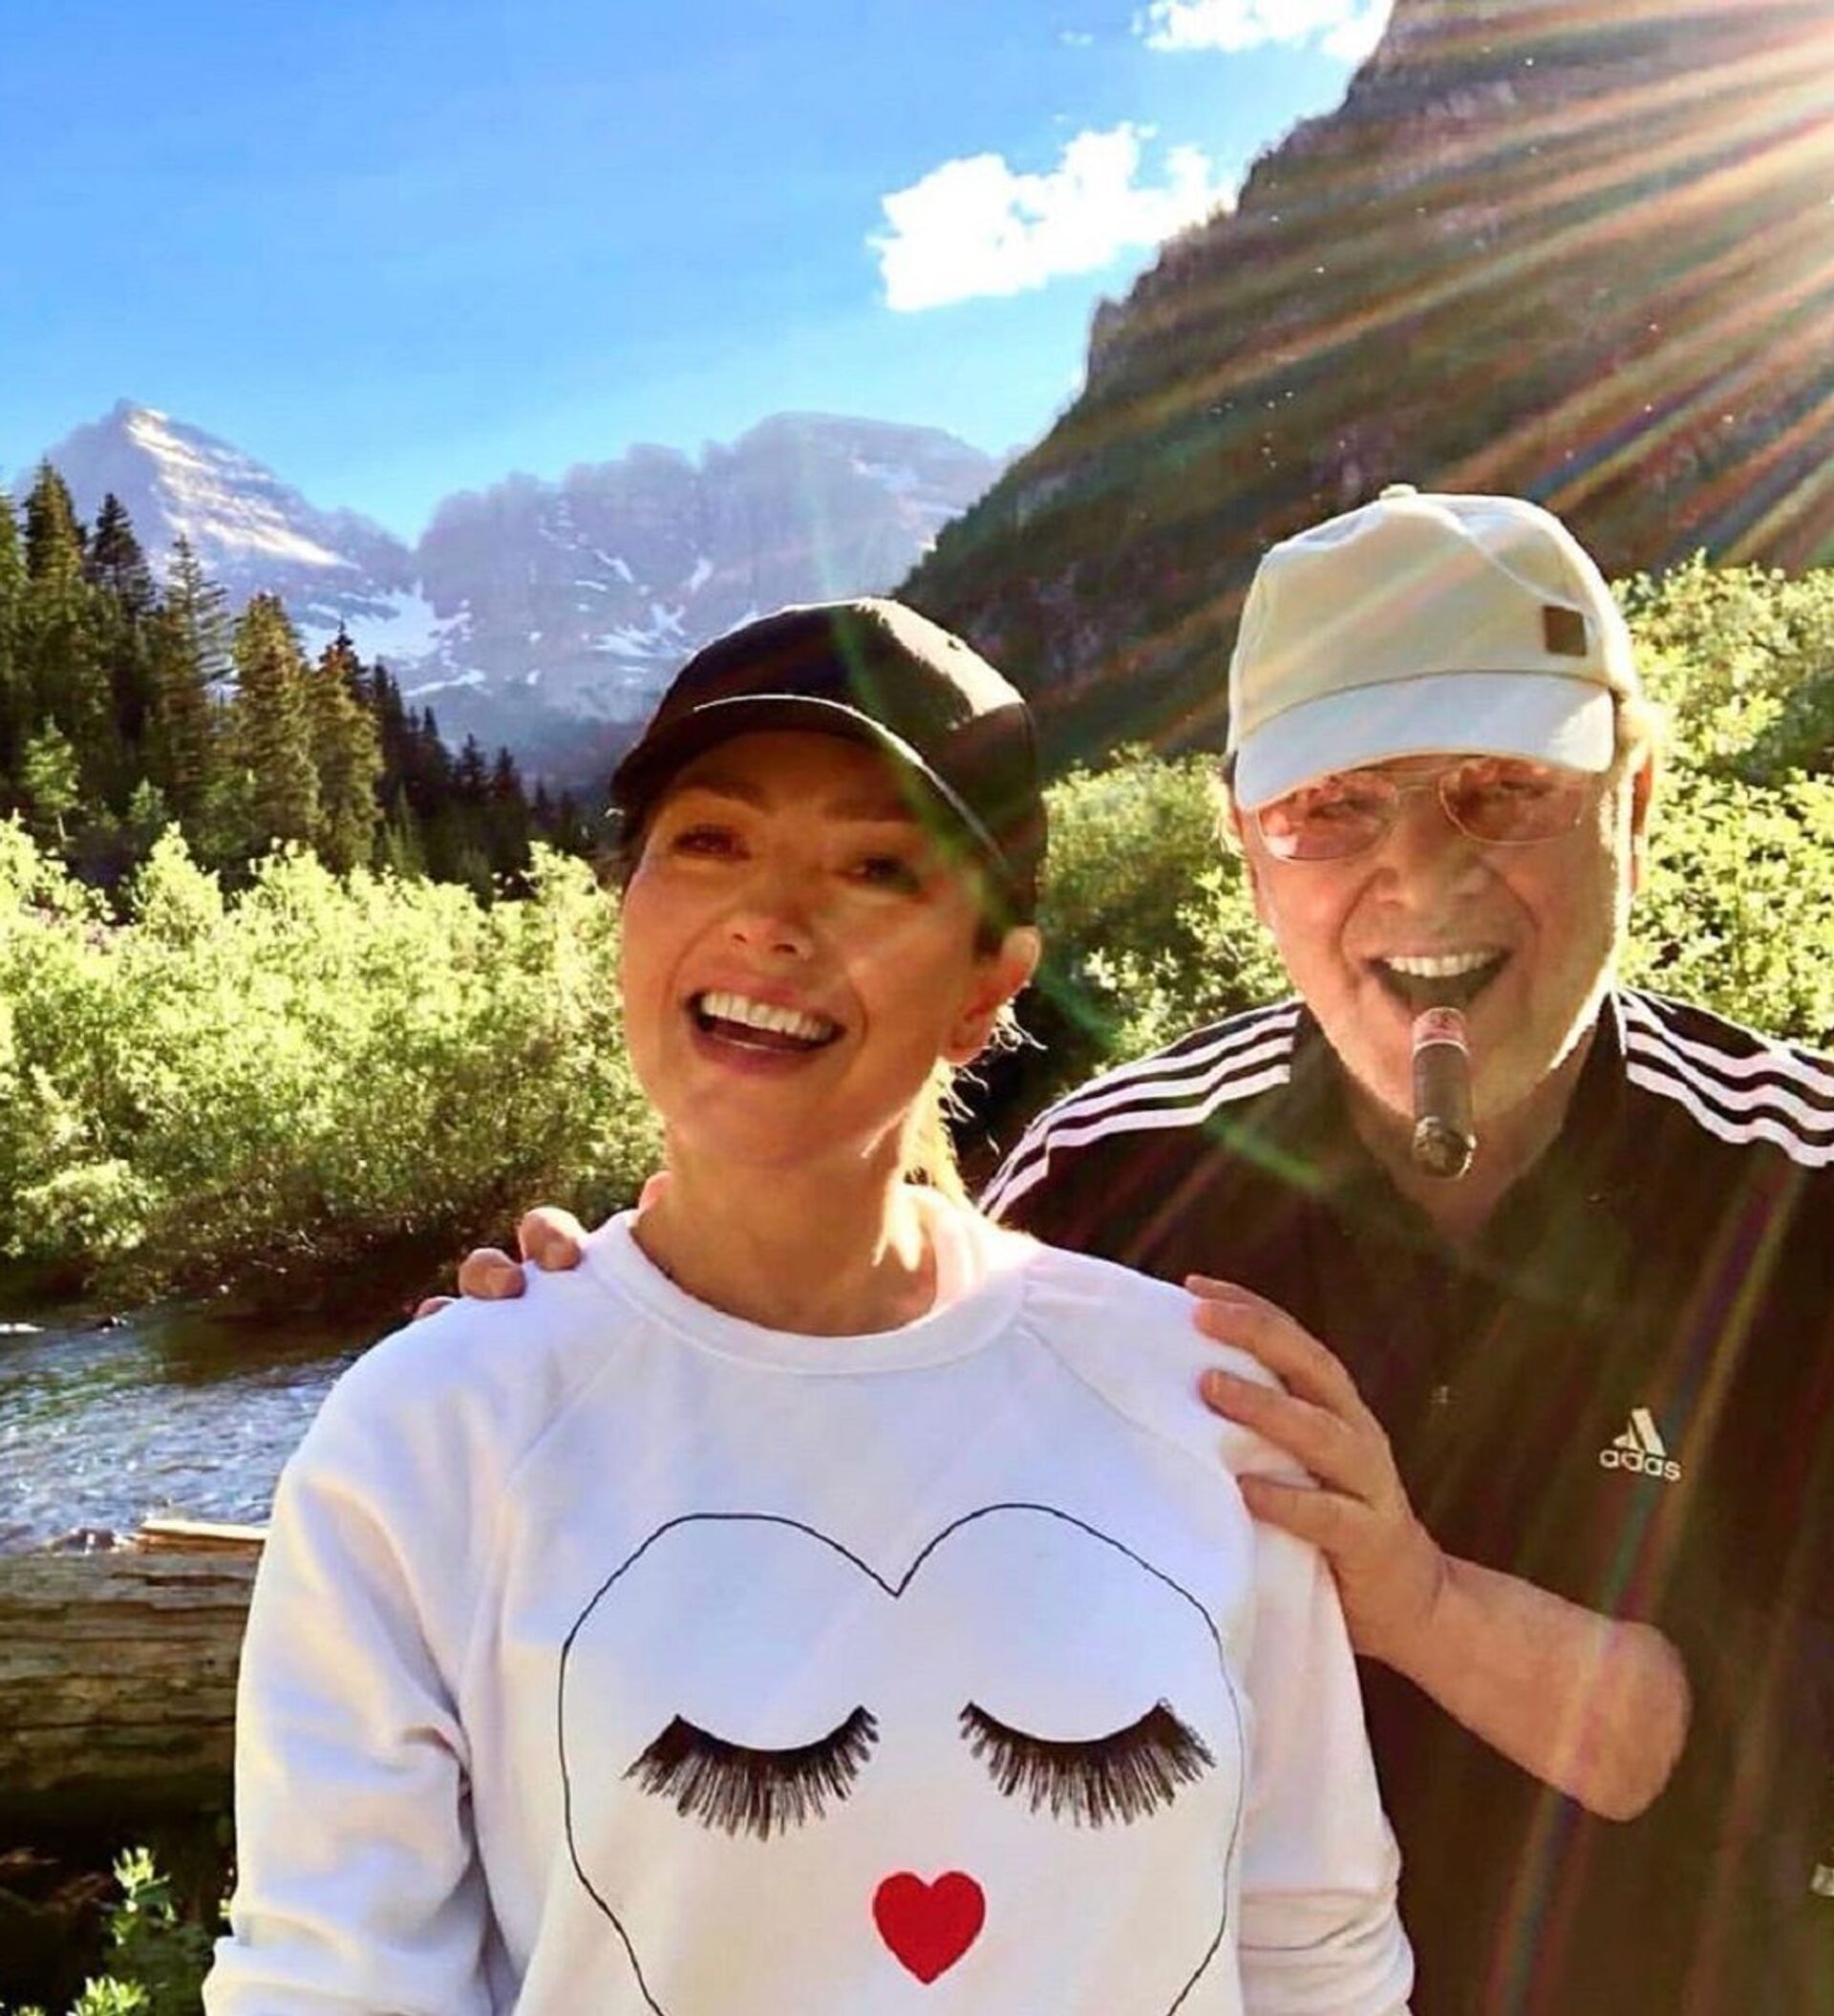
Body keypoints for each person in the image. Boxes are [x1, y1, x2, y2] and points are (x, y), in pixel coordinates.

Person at [458, 493, 1834, 2013]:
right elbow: (864, 1530)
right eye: (1332, 809)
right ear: (1247, 848)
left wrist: (1424, 1604)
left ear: (1636, 798)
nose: (1424, 881)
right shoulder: (1105, 1179)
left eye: (1501, 793)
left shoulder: (1802, 1188)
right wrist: (628, 1346)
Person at [206, 599, 1412, 2013]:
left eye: (874, 867)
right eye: (710, 841)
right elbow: (331, 1984)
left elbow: (1315, 1954)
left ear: (988, 987)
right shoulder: (431, 1433)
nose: (769, 920)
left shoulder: (1198, 1403)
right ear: (626, 907)